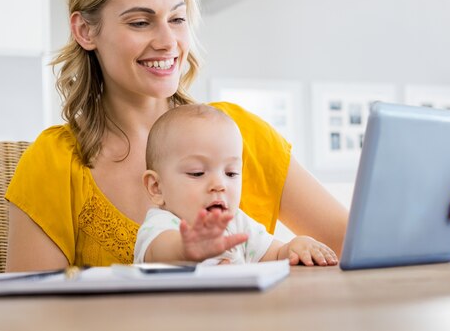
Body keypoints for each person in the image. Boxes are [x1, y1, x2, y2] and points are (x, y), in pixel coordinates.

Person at [5, 0, 450, 272]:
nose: (167, 41)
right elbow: (30, 313)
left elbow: (354, 247)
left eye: (177, 19)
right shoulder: (53, 163)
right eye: (140, 22)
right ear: (85, 30)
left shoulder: (237, 133)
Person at [135, 104, 338, 266]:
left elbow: (273, 255)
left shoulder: (237, 223)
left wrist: (293, 248)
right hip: (180, 318)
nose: (219, 184)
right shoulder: (161, 225)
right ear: (156, 187)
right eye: (197, 173)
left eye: (231, 173)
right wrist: (186, 248)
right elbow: (158, 252)